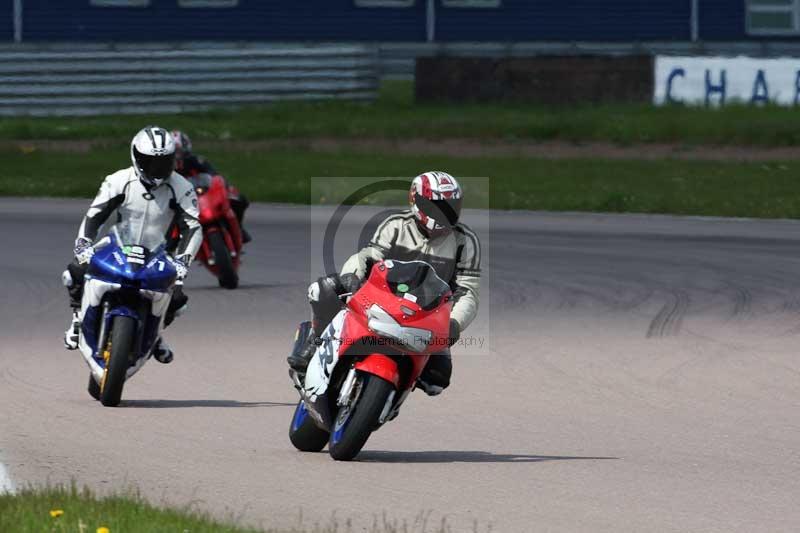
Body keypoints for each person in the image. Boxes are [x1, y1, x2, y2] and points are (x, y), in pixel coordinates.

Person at [287, 171, 481, 396]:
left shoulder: (465, 242)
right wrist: (351, 277)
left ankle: (390, 392)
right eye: (438, 206)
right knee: (327, 289)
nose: (446, 212)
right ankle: (315, 338)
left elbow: (468, 291)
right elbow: (368, 257)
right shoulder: (396, 225)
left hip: (427, 315)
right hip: (383, 298)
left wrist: (454, 323)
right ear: (417, 201)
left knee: (437, 380)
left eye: (451, 205)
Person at [63, 126, 202, 364]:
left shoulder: (182, 187)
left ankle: (156, 335)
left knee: (176, 299)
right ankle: (77, 319)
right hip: (117, 244)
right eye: (151, 162)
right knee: (75, 271)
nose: (158, 170)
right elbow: (95, 215)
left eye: (164, 162)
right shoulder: (118, 180)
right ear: (136, 158)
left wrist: (183, 261)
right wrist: (84, 243)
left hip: (160, 253)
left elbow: (193, 226)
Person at [171, 130, 251, 243]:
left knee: (239, 200)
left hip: (204, 194)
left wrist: (225, 187)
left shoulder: (197, 160)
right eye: (175, 152)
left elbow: (214, 175)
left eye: (179, 151)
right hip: (183, 201)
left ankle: (239, 228)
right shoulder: (167, 169)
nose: (177, 155)